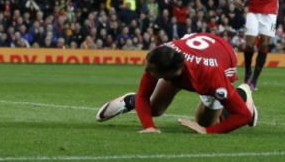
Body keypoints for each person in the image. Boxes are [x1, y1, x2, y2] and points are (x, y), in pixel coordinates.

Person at [96, 33, 257, 134]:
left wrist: (207, 130)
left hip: (222, 57)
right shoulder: (164, 54)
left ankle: (242, 94)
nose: (147, 73)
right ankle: (128, 100)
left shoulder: (211, 78)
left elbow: (243, 116)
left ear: (167, 75)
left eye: (151, 71)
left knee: (205, 122)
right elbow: (144, 94)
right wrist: (149, 127)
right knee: (153, 109)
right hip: (193, 46)